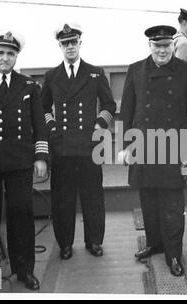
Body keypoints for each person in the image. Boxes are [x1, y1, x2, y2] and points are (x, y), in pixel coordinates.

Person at [118, 25, 187, 276]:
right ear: (150, 46)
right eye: (157, 46)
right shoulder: (136, 70)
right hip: (142, 145)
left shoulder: (186, 71)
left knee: (172, 205)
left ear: (173, 47)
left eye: (167, 46)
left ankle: (174, 254)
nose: (162, 50)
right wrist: (124, 148)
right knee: (148, 201)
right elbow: (127, 112)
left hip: (175, 146)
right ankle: (155, 245)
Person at [0, 30, 48, 290]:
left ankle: (24, 270)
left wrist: (40, 156)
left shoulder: (28, 86)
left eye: (11, 53)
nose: (5, 58)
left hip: (19, 162)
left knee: (21, 214)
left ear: (17, 57)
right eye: (1, 52)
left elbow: (39, 124)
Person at [41, 23, 116, 260]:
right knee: (63, 197)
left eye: (73, 42)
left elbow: (109, 104)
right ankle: (65, 243)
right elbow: (42, 108)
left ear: (80, 44)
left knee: (92, 195)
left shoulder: (94, 73)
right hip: (61, 146)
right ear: (60, 47)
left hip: (89, 145)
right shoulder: (52, 76)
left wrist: (99, 125)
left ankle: (94, 241)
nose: (70, 47)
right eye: (65, 44)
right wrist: (52, 126)